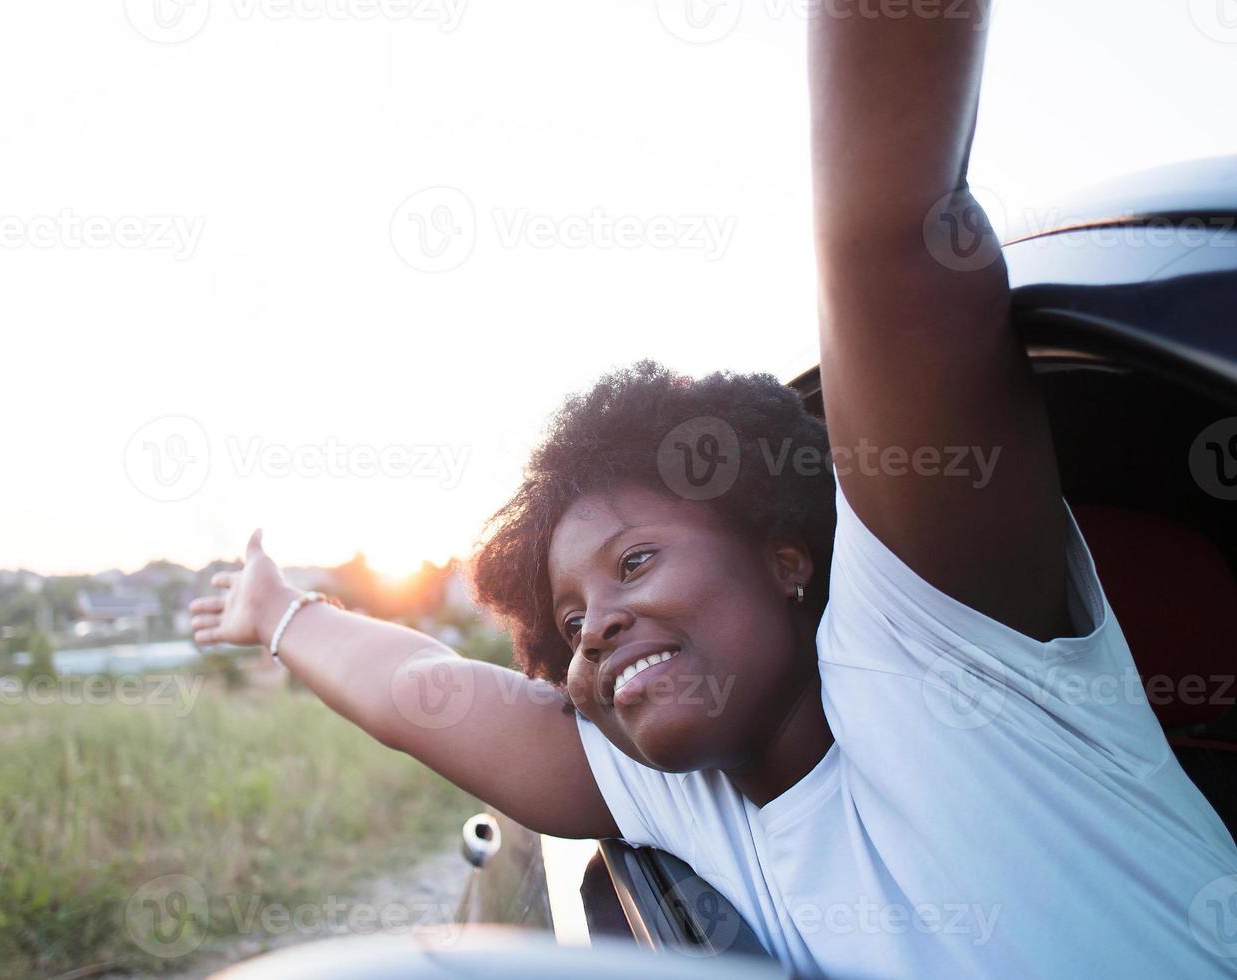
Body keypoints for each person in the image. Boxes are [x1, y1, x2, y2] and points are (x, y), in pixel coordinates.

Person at [189, 2, 1237, 975]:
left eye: (634, 560)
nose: (593, 628)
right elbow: (423, 693)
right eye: (569, 620)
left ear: (787, 555)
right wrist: (277, 611)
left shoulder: (937, 652)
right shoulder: (674, 797)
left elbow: (889, 237)